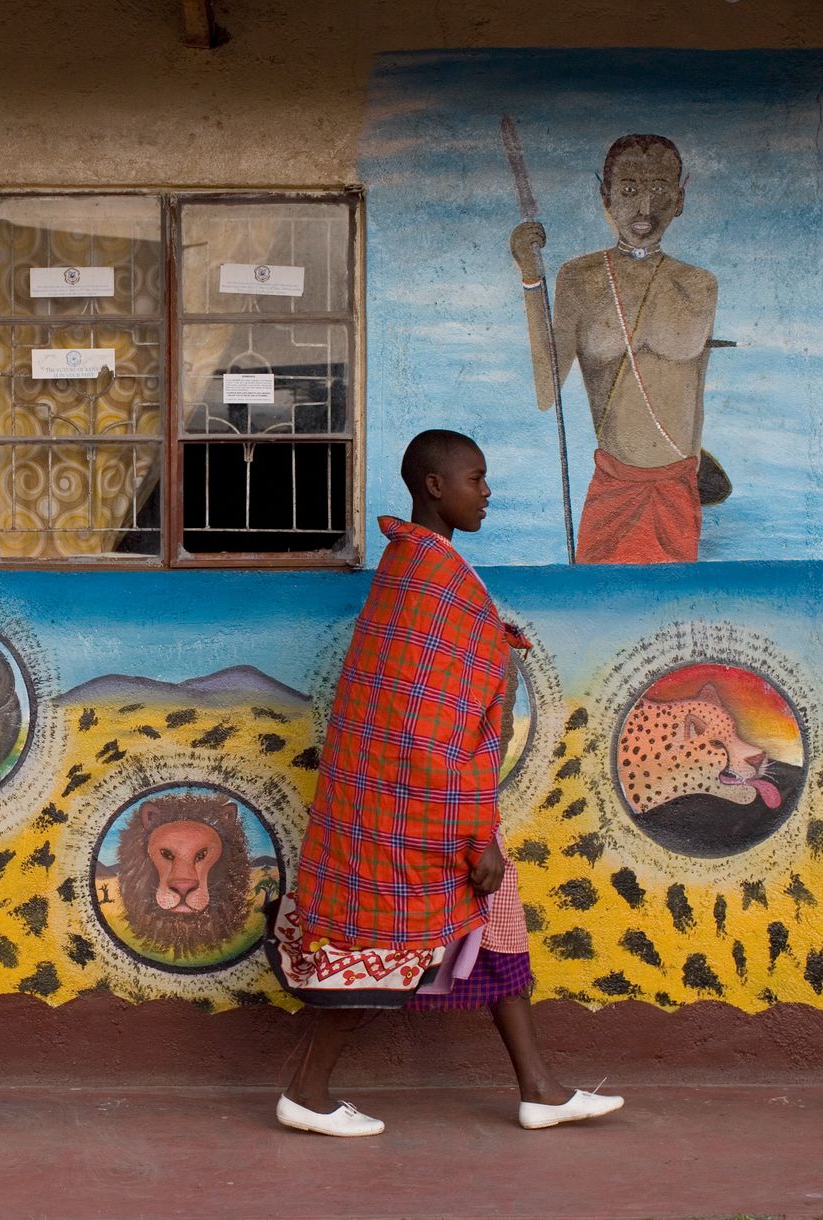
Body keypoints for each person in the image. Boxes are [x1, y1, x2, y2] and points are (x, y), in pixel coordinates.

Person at [268, 429, 623, 1136]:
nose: (486, 492)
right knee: (387, 941)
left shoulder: (424, 571)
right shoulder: (428, 581)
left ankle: (538, 1089)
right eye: (475, 478)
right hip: (411, 813)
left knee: (497, 923)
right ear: (434, 487)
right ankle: (304, 1092)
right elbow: (427, 731)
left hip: (419, 802)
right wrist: (474, 833)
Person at [511, 134, 717, 564]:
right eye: (628, 191)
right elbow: (547, 392)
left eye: (659, 190)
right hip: (613, 489)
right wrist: (531, 278)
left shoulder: (699, 284)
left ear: (681, 197)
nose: (644, 209)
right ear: (605, 197)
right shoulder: (579, 278)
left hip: (676, 489)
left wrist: (696, 475)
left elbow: (695, 396)